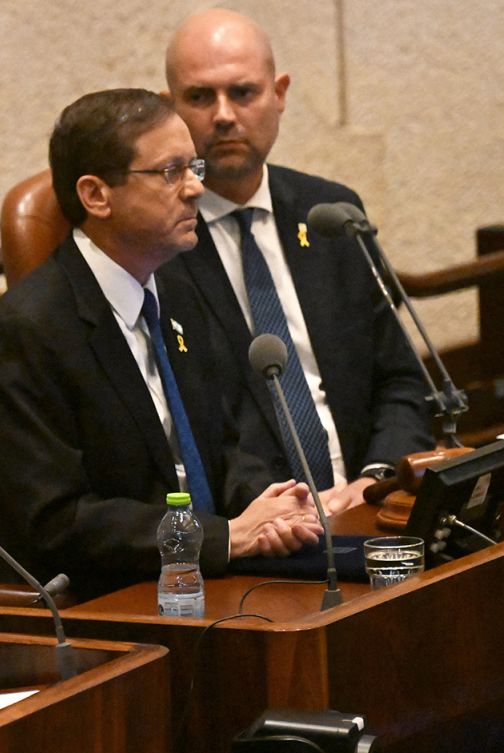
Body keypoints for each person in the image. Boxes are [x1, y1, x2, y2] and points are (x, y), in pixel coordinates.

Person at [0, 88, 322, 602]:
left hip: (209, 579)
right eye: (170, 172)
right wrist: (225, 537)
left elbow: (227, 439)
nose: (194, 190)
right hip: (107, 600)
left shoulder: (178, 285)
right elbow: (57, 519)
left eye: (195, 167)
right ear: (96, 195)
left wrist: (268, 509)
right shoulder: (32, 329)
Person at [162, 9, 431, 514]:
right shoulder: (156, 244)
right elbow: (186, 429)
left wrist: (377, 480)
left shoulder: (330, 213)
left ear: (279, 94)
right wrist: (284, 510)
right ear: (168, 109)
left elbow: (399, 378)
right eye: (200, 97)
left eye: (243, 92)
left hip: (370, 506)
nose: (223, 115)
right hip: (258, 528)